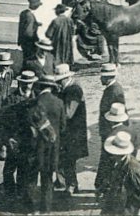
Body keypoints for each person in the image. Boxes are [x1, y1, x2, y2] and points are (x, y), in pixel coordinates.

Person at [24, 76, 65, 214]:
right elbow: (63, 127)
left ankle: (31, 209)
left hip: (34, 146)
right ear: (52, 87)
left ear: (39, 86)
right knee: (47, 179)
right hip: (52, 147)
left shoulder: (33, 103)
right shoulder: (59, 102)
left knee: (31, 178)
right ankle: (45, 210)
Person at [54, 64, 88, 195]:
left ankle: (72, 185)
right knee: (64, 158)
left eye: (59, 81)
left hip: (74, 132)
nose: (57, 83)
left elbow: (69, 113)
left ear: (65, 79)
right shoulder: (67, 88)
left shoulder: (74, 90)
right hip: (67, 131)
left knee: (69, 159)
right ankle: (63, 182)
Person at [100, 132, 140, 215]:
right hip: (115, 202)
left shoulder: (132, 167)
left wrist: (131, 208)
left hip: (125, 209)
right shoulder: (119, 161)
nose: (111, 155)